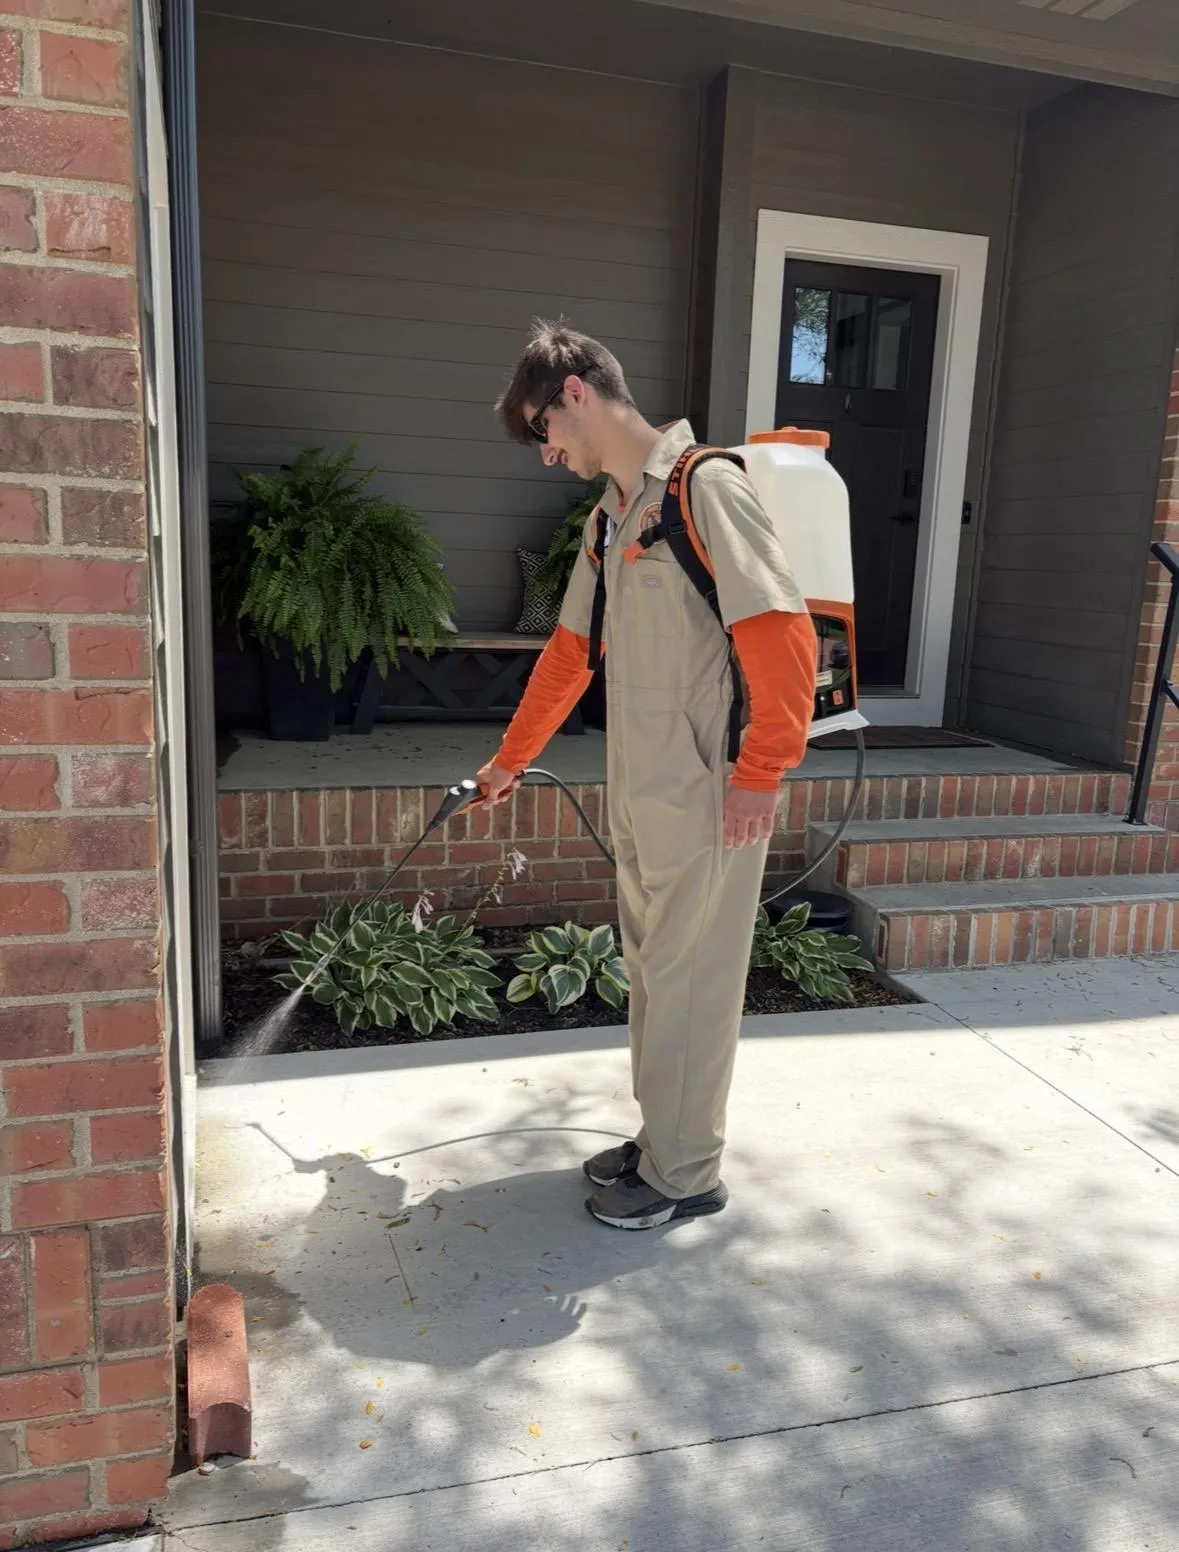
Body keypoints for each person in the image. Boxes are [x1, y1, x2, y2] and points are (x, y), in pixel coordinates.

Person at [478, 321, 817, 1231]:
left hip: (711, 794)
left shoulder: (706, 490)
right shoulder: (610, 517)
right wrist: (510, 761)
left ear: (577, 391)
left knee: (696, 980)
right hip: (645, 797)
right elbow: (568, 655)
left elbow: (784, 636)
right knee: (658, 973)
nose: (546, 453)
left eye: (541, 429)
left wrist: (761, 774)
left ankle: (688, 1173)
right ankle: (663, 1135)